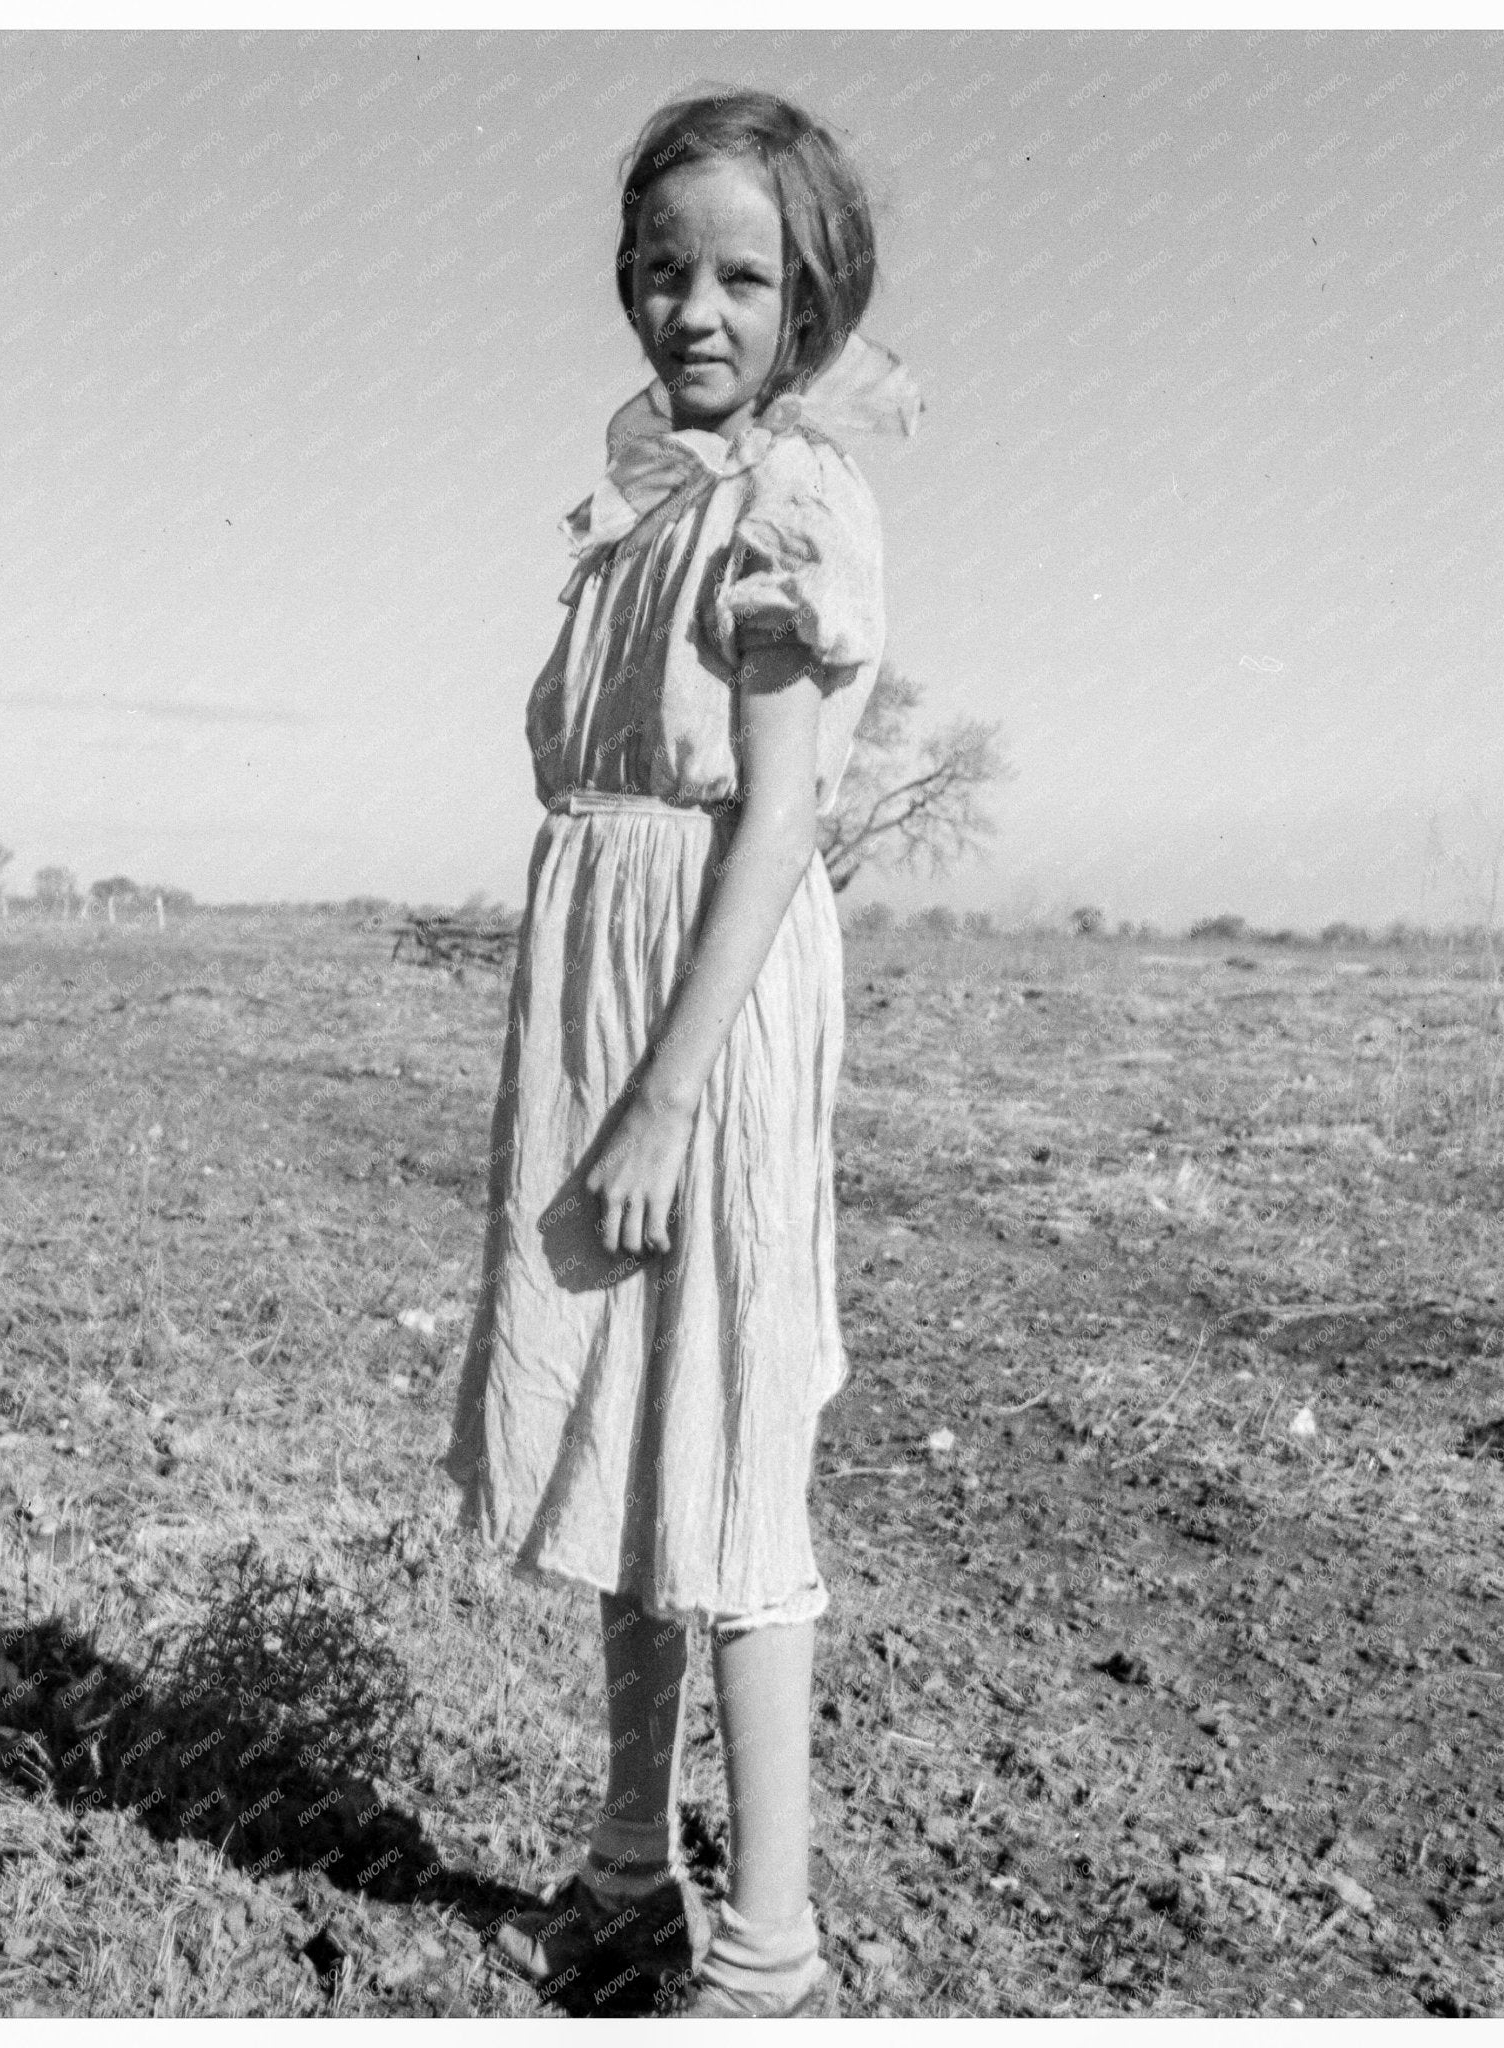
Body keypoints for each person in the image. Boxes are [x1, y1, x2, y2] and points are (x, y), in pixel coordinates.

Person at [441, 86, 920, 2019]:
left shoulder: (796, 500)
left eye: (741, 276)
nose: (695, 310)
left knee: (726, 1445)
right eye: (663, 270)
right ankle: (632, 1871)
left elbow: (779, 821)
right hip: (601, 991)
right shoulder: (644, 499)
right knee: (628, 1435)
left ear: (810, 295)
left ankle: (772, 1949)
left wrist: (662, 1099)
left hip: (706, 1012)